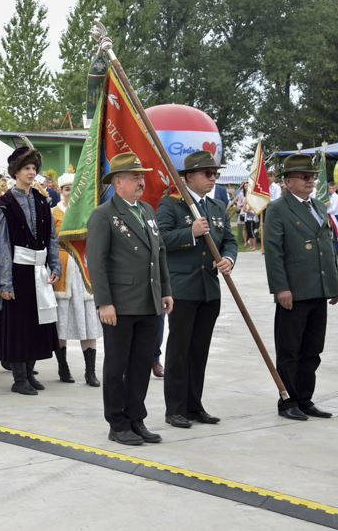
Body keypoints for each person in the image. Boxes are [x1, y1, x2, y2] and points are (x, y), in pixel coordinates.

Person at [86, 152, 173, 446]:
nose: (141, 180)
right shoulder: (104, 214)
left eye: (142, 175)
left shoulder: (147, 210)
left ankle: (136, 419)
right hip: (120, 305)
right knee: (116, 366)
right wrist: (104, 302)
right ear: (118, 181)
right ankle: (117, 422)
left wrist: (166, 290)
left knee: (140, 365)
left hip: (149, 302)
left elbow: (158, 254)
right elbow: (96, 262)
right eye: (135, 176)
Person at [156, 150, 238, 428]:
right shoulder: (171, 205)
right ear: (188, 177)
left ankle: (194, 406)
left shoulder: (216, 207)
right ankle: (175, 409)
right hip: (182, 288)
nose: (212, 178)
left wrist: (228, 259)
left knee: (199, 351)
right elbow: (161, 239)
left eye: (214, 173)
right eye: (207, 173)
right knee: (179, 351)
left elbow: (229, 240)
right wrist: (189, 232)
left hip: (209, 291)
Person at [264, 154, 338, 421]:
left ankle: (306, 399)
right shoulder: (277, 208)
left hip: (319, 288)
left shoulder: (318, 205)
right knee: (289, 351)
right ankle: (289, 401)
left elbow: (326, 247)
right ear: (288, 182)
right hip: (294, 290)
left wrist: (335, 283)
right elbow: (273, 252)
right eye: (305, 177)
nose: (311, 181)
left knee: (313, 350)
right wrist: (280, 288)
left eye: (312, 176)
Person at [0, 145, 61, 396]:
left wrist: (55, 266)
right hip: (18, 271)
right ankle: (19, 378)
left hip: (39, 271)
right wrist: (5, 283)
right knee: (19, 325)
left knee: (37, 321)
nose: (32, 172)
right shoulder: (5, 204)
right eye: (26, 168)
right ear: (15, 172)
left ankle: (30, 372)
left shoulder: (43, 200)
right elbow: (0, 246)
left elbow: (52, 238)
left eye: (34, 168)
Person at [52, 171, 102, 385]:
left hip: (84, 272)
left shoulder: (88, 212)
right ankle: (63, 368)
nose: (70, 192)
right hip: (62, 273)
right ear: (60, 191)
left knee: (88, 322)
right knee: (60, 323)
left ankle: (90, 371)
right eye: (66, 188)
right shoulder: (53, 212)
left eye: (74, 188)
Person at [326, 181, 338, 257]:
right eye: (330, 188)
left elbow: (333, 209)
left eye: (333, 188)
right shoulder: (327, 196)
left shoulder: (337, 197)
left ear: (336, 188)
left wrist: (324, 211)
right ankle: (330, 250)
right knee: (328, 233)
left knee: (335, 234)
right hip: (328, 215)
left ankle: (336, 251)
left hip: (334, 216)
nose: (331, 190)